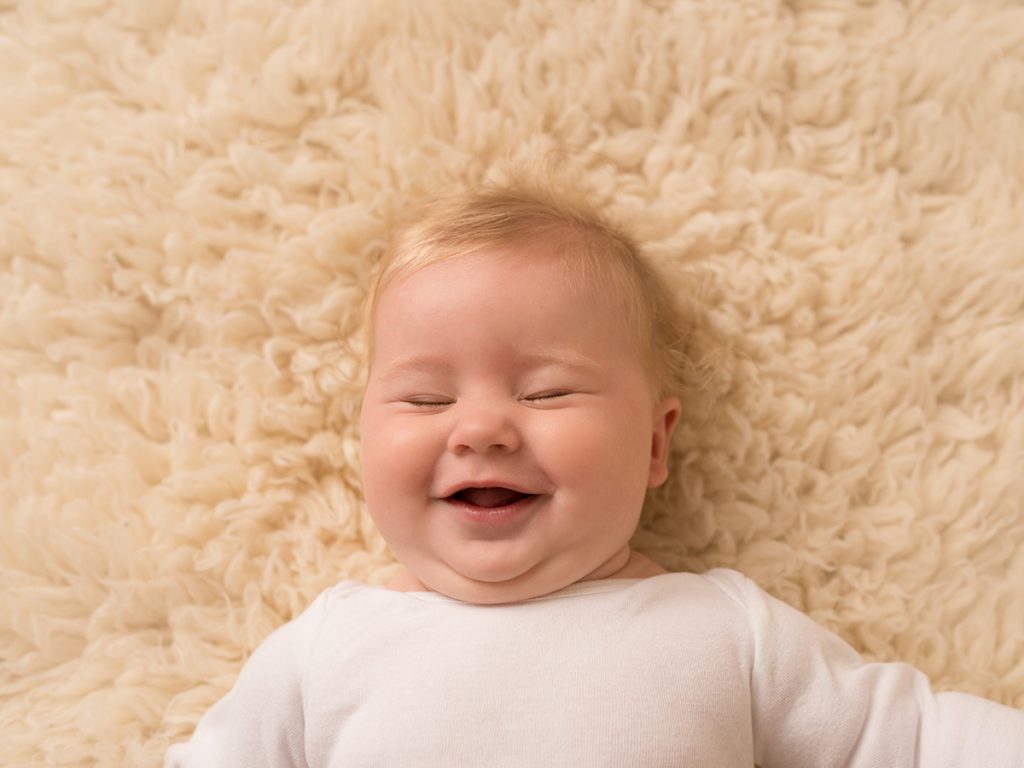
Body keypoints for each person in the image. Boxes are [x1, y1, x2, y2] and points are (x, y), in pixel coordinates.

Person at [166, 181, 1024, 767]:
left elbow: (916, 741)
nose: (482, 427)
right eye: (425, 400)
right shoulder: (330, 647)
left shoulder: (726, 630)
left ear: (656, 444)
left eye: (547, 391)